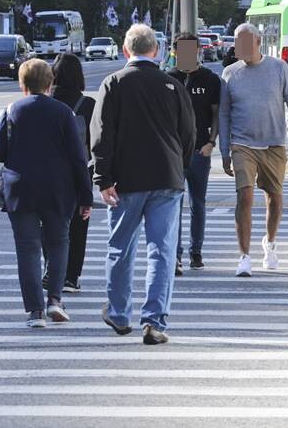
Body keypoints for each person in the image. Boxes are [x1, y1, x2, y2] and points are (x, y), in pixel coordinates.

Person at [91, 25, 196, 344]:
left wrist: (103, 177)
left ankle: (120, 314)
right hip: (167, 177)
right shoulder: (172, 85)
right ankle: (154, 321)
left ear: (126, 51)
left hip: (126, 180)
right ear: (156, 52)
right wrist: (180, 168)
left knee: (121, 247)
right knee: (162, 250)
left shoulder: (113, 83)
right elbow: (188, 135)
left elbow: (101, 134)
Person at [0, 59, 92, 328]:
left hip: (21, 189)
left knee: (27, 249)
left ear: (22, 84)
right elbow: (77, 158)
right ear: (50, 84)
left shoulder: (12, 109)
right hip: (59, 189)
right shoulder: (63, 113)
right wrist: (86, 196)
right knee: (59, 242)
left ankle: (35, 312)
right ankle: (55, 301)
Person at [220, 23, 288, 276]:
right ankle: (244, 256)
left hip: (274, 143)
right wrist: (224, 151)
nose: (239, 47)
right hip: (242, 144)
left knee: (274, 198)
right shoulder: (230, 73)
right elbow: (223, 115)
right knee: (245, 197)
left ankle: (270, 243)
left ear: (257, 41)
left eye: (244, 41)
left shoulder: (279, 68)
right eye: (236, 42)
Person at [167, 33, 222, 274]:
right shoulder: (168, 78)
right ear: (175, 51)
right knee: (173, 205)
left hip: (201, 149)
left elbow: (217, 113)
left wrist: (212, 142)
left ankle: (196, 252)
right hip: (174, 152)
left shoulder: (210, 79)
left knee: (197, 203)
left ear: (199, 49)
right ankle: (175, 254)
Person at [48, 54, 96, 293]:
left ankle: (51, 269)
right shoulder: (87, 104)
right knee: (78, 228)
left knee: (50, 224)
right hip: (81, 172)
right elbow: (96, 142)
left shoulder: (46, 101)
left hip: (49, 173)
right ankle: (71, 277)